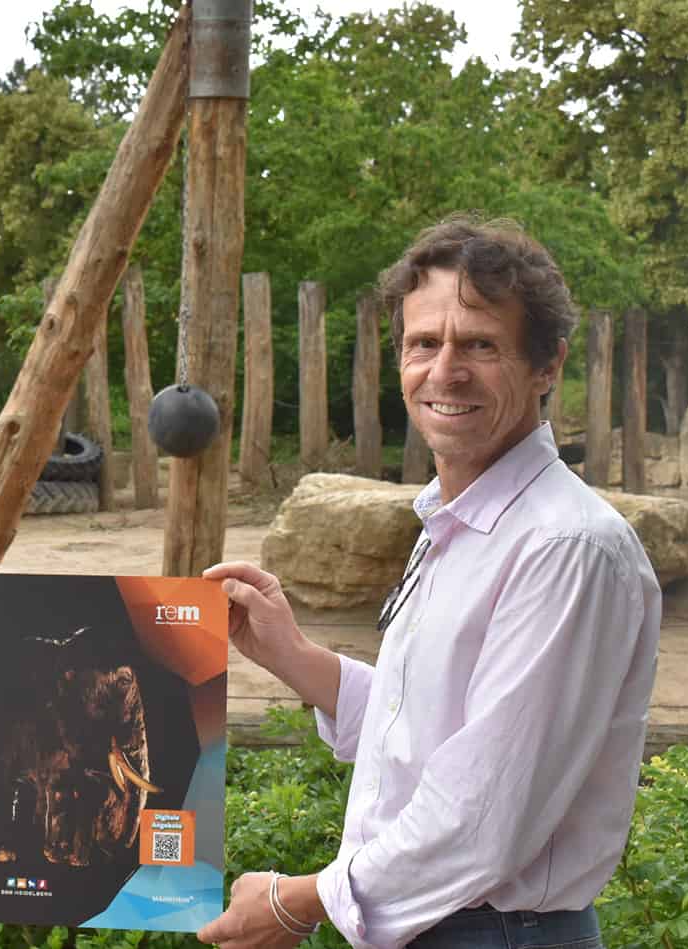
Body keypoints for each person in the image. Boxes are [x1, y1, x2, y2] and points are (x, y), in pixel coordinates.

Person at [198, 215, 660, 949]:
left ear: (548, 366)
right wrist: (295, 657)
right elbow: (432, 728)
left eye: (480, 343)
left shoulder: (567, 548)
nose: (444, 370)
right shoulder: (460, 523)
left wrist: (297, 900)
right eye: (423, 343)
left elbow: (484, 812)